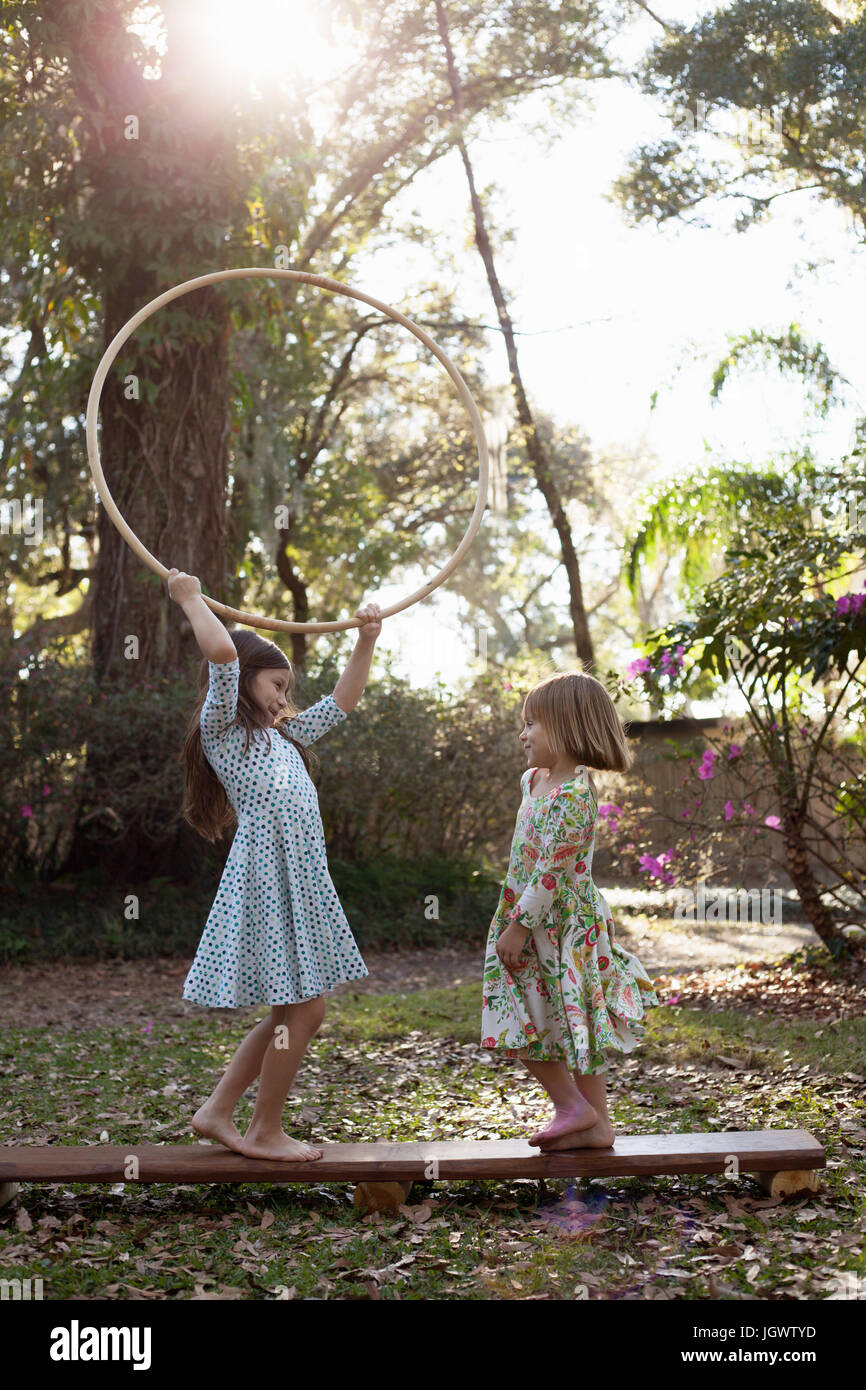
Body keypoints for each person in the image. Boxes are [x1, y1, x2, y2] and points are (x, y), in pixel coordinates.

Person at [167, 568, 381, 1162]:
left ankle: (217, 1111)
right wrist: (190, 599)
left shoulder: (283, 738)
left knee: (294, 1009)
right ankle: (263, 1129)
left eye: (288, 688)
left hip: (300, 882)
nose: (285, 698)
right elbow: (219, 652)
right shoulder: (225, 732)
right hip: (267, 879)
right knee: (306, 1008)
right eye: (276, 684)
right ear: (243, 681)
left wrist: (366, 640)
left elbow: (342, 703)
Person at [481, 670, 660, 1151]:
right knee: (535, 1013)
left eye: (532, 724)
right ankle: (592, 1123)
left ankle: (578, 1110)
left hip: (562, 925)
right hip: (527, 914)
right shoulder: (533, 780)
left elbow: (551, 872)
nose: (523, 734)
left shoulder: (576, 796)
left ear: (565, 727)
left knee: (564, 1015)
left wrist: (518, 927)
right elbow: (526, 857)